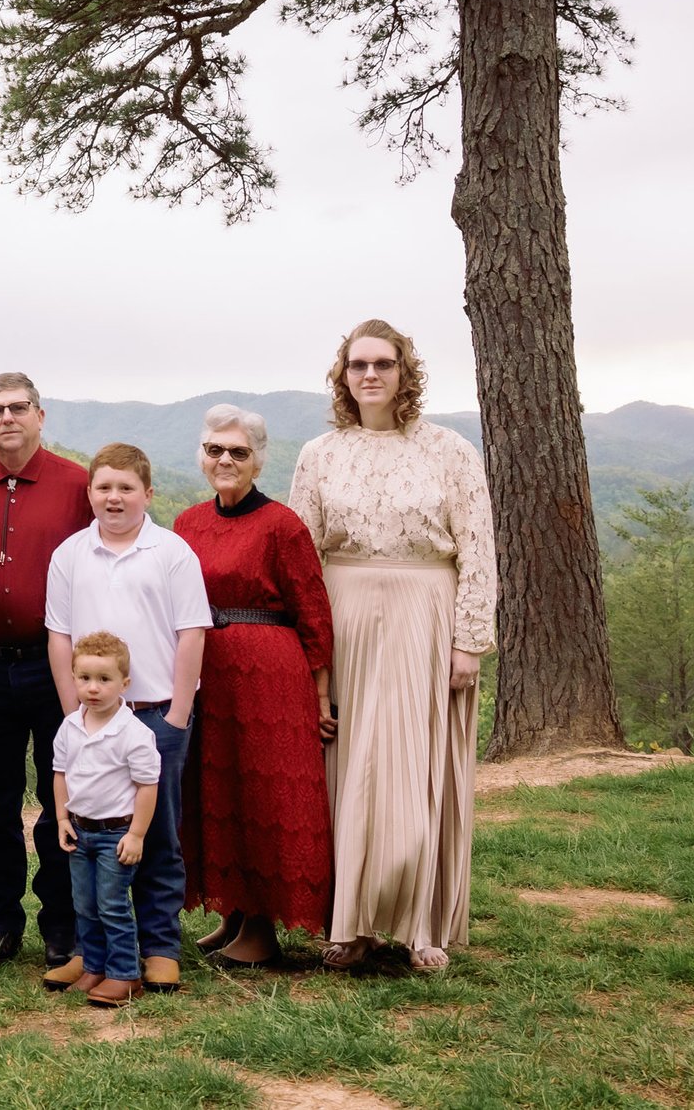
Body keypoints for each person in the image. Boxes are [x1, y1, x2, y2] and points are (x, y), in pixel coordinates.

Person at [288, 321, 496, 973]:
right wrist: (305, 644)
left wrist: (469, 640)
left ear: (406, 372)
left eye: (383, 363)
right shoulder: (318, 454)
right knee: (348, 766)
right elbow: (299, 554)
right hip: (343, 615)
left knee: (413, 764)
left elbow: (479, 548)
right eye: (357, 365)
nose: (369, 375)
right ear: (342, 376)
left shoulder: (449, 451)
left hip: (424, 615)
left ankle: (419, 925)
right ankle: (349, 923)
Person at [42, 444, 211, 994]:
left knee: (156, 833)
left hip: (156, 713)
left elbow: (191, 632)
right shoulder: (70, 553)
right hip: (88, 719)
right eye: (103, 488)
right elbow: (59, 635)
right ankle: (91, 953)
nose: (113, 498)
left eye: (126, 488)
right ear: (89, 493)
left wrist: (178, 715)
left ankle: (159, 947)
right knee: (87, 834)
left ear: (147, 494)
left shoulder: (172, 552)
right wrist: (75, 714)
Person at [172, 405, 336, 968]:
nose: (225, 460)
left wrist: (319, 693)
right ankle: (234, 913)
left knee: (260, 794)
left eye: (238, 452)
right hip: (207, 672)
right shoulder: (190, 522)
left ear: (258, 461)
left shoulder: (282, 525)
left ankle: (263, 929)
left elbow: (314, 612)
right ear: (202, 455)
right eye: (215, 450)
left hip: (268, 677)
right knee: (217, 791)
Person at [0, 373, 94, 969]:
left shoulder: (77, 485)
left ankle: (62, 924)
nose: (7, 418)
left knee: (59, 794)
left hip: (56, 665)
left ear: (41, 415)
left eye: (19, 408)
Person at [50, 630, 159, 1009]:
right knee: (85, 905)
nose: (93, 688)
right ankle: (94, 967)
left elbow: (147, 785)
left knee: (112, 905)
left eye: (104, 679)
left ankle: (126, 974)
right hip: (80, 831)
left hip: (116, 834)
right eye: (85, 679)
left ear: (124, 683)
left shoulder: (134, 733)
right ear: (74, 678)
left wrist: (137, 834)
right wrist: (63, 818)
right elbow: (60, 773)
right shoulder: (70, 726)